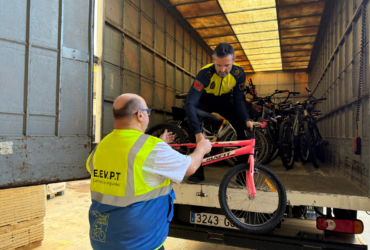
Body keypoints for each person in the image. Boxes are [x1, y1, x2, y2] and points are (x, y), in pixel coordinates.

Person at [86, 93, 211, 250]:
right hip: (139, 243)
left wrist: (160, 142)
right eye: (147, 112)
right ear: (140, 114)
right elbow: (190, 167)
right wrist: (202, 148)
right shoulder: (151, 148)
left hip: (102, 238)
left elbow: (129, 160)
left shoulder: (102, 146)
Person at [184, 42, 261, 184]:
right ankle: (197, 172)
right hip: (204, 101)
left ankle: (241, 176)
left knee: (244, 130)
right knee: (193, 129)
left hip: (226, 102)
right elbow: (189, 103)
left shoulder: (239, 73)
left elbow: (239, 100)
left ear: (234, 59)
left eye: (227, 65)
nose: (223, 70)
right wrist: (197, 133)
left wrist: (246, 119)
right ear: (213, 59)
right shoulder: (204, 74)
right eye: (219, 65)